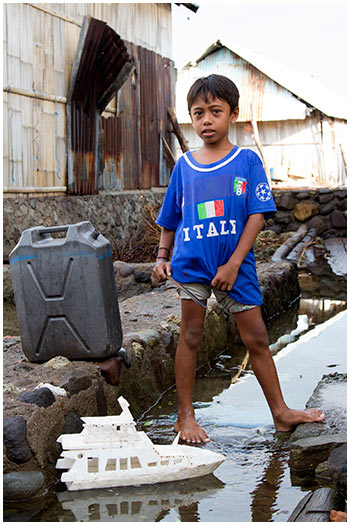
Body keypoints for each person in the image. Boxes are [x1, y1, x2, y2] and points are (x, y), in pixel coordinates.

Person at [153, 74, 325, 444]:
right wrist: (161, 256)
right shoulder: (184, 166)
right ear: (191, 118)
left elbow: (257, 215)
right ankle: (186, 418)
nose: (206, 121)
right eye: (198, 113)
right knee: (191, 335)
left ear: (233, 113)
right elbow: (170, 219)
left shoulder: (246, 161)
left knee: (258, 337)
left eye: (215, 111)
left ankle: (280, 412)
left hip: (236, 265)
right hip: (191, 264)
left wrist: (233, 264)